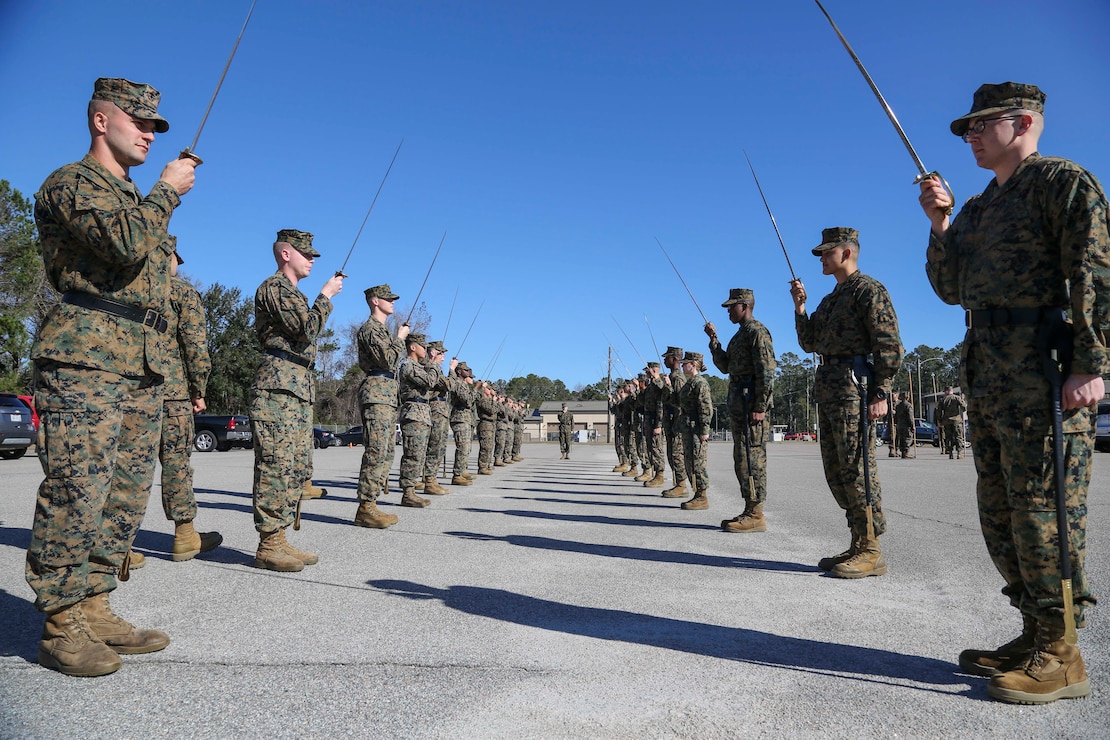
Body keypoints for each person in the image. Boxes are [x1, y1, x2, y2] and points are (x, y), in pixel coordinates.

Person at [919, 81, 1108, 703]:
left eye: (979, 126)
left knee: (1044, 513)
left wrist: (1090, 363)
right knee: (1001, 516)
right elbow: (951, 289)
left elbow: (1094, 269)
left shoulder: (1061, 182)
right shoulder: (978, 207)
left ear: (1022, 121)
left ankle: (1062, 653)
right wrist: (941, 223)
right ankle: (1033, 633)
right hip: (990, 374)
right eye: (967, 130)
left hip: (1044, 370)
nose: (970, 137)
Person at [28, 77, 198, 676]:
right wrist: (166, 193)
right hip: (85, 358)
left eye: (156, 126)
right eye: (140, 122)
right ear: (102, 121)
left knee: (124, 495)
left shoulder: (133, 198)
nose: (150, 134)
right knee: (79, 490)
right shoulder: (70, 184)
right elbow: (122, 246)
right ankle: (59, 622)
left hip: (141, 361)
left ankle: (96, 603)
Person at [791, 226, 903, 579]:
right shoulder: (830, 299)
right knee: (838, 471)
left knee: (858, 470)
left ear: (847, 252)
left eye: (826, 252)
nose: (821, 259)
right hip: (830, 391)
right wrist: (800, 307)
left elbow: (889, 343)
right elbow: (810, 343)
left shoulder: (867, 290)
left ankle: (872, 550)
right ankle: (858, 541)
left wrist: (881, 391)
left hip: (855, 390)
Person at [250, 229, 343, 572]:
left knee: (293, 466)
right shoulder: (274, 287)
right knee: (275, 463)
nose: (313, 260)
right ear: (285, 254)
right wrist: (326, 296)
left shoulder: (293, 292)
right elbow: (306, 329)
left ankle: (280, 537)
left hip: (297, 385)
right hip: (277, 385)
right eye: (306, 253)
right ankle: (268, 542)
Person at [157, 251, 222, 561]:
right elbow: (195, 345)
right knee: (176, 466)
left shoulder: (125, 286)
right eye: (176, 257)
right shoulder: (180, 291)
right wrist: (198, 390)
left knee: (125, 467)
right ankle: (184, 535)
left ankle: (117, 547)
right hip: (171, 392)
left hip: (126, 391)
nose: (178, 264)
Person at [706, 288, 775, 532]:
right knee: (742, 459)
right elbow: (725, 367)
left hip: (751, 406)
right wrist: (714, 341)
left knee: (752, 459)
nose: (727, 312)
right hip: (739, 405)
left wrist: (760, 406)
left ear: (745, 306)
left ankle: (756, 513)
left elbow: (767, 372)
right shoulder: (739, 336)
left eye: (731, 307)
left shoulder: (757, 332)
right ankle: (749, 508)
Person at [352, 284, 408, 529]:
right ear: (375, 301)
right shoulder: (371, 329)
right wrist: (400, 339)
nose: (392, 302)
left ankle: (372, 504)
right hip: (376, 391)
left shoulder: (382, 331)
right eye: (388, 299)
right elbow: (388, 359)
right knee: (376, 450)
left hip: (386, 393)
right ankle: (365, 507)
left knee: (386, 450)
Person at [398, 333, 454, 505]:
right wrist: (435, 365)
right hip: (413, 411)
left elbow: (445, 384)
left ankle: (413, 489)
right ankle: (408, 493)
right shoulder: (408, 365)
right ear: (413, 347)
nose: (425, 349)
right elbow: (430, 381)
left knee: (420, 454)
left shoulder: (419, 366)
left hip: (422, 412)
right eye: (423, 346)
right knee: (413, 454)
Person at [677, 351, 713, 510]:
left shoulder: (700, 383)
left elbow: (705, 408)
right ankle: (696, 493)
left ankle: (702, 496)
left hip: (696, 427)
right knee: (689, 461)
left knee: (698, 462)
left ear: (694, 365)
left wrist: (705, 429)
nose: (683, 366)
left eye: (685, 363)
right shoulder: (689, 383)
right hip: (687, 426)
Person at [422, 341, 451, 493]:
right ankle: (429, 480)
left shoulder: (436, 368)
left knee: (439, 446)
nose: (443, 357)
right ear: (433, 353)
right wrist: (452, 371)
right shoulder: (431, 367)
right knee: (435, 445)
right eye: (441, 353)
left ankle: (432, 479)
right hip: (435, 408)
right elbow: (447, 385)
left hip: (441, 409)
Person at [660, 346, 688, 498]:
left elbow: (680, 402)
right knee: (671, 454)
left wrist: (669, 387)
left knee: (677, 455)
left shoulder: (678, 378)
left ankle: (681, 485)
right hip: (670, 422)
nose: (665, 359)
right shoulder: (671, 377)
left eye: (668, 357)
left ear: (675, 359)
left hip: (677, 422)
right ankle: (678, 484)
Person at [447, 362, 477, 485]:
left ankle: (462, 470)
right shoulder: (458, 384)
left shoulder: (463, 385)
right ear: (459, 371)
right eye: (466, 370)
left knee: (467, 448)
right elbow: (468, 401)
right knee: (463, 447)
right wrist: (476, 389)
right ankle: (457, 475)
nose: (469, 373)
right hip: (459, 418)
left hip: (466, 419)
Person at [639, 364, 666, 486]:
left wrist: (659, 424)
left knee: (656, 448)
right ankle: (654, 474)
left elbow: (661, 404)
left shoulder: (658, 383)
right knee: (650, 448)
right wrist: (639, 389)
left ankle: (659, 475)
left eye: (648, 371)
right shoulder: (650, 386)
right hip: (648, 420)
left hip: (655, 420)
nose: (646, 374)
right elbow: (640, 402)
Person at [936, 387, 967, 460]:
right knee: (958, 437)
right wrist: (962, 400)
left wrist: (940, 421)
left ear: (947, 391)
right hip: (956, 420)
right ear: (951, 391)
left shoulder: (943, 400)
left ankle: (950, 452)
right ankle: (959, 453)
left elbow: (938, 412)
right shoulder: (957, 398)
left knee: (948, 437)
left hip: (946, 421)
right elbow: (964, 407)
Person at [894, 392, 914, 459]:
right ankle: (906, 452)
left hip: (900, 424)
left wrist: (896, 422)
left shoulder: (898, 405)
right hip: (906, 425)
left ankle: (903, 452)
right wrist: (912, 425)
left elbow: (896, 416)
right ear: (907, 397)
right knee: (907, 438)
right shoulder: (908, 405)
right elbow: (910, 416)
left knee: (901, 438)